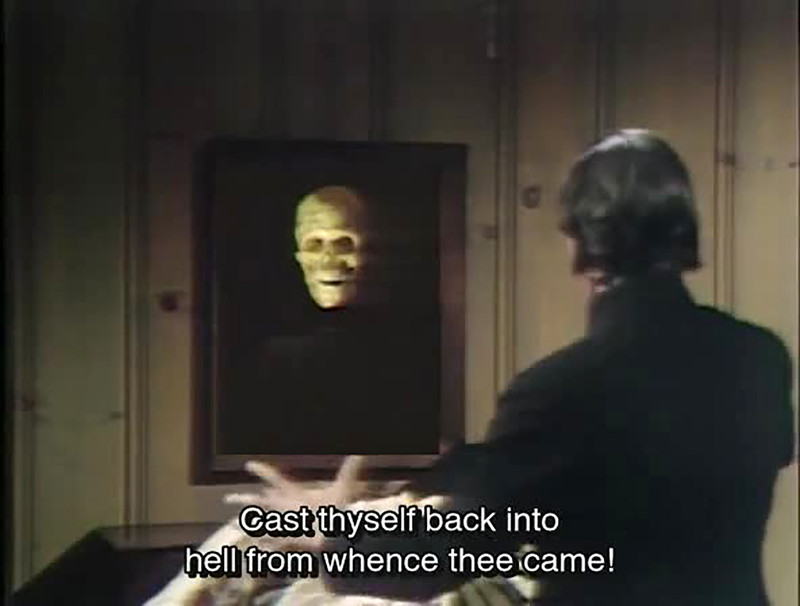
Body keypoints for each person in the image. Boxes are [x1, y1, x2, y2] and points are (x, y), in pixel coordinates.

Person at [152, 130, 795, 605]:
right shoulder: (761, 357)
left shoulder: (563, 387)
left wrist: (330, 535)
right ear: (684, 229)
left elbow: (452, 552)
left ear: (579, 241)